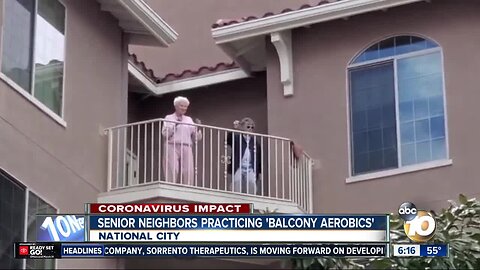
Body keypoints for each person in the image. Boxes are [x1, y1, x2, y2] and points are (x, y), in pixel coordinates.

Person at [162, 96, 202, 185]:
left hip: (186, 145)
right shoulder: (169, 117)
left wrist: (198, 127)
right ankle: (170, 186)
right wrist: (174, 125)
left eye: (185, 106)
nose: (184, 108)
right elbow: (165, 134)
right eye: (182, 106)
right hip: (172, 144)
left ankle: (188, 187)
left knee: (188, 169)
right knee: (172, 167)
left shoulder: (189, 119)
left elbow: (196, 137)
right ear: (176, 106)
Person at [227, 117, 261, 195]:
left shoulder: (255, 141)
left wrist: (259, 171)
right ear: (242, 127)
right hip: (239, 166)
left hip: (250, 167)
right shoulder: (237, 138)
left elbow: (259, 157)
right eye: (248, 127)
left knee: (252, 183)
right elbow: (228, 140)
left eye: (252, 127)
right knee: (237, 182)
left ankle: (252, 201)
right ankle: (236, 200)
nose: (250, 129)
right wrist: (233, 129)